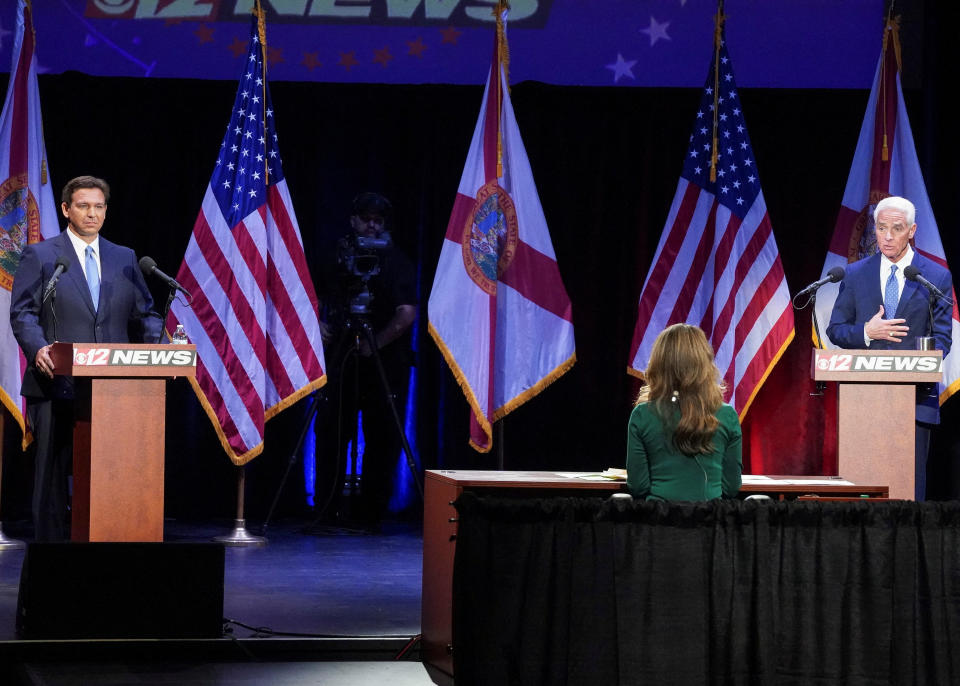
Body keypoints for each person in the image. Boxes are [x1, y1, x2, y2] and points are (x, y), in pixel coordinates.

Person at [9, 175, 161, 540]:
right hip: (56, 382)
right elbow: (23, 313)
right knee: (52, 477)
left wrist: (158, 343)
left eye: (98, 206)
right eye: (83, 205)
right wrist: (38, 347)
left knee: (113, 472)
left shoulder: (124, 258)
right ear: (66, 209)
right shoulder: (43, 255)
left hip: (116, 389)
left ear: (106, 212)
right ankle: (51, 557)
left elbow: (146, 314)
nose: (91, 213)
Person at [826, 195, 953, 499]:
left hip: (914, 402)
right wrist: (867, 333)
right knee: (863, 493)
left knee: (908, 492)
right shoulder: (855, 275)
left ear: (911, 230)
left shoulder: (934, 277)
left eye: (896, 229)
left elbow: (943, 339)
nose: (887, 236)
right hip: (864, 401)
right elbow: (836, 330)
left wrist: (912, 363)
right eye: (881, 228)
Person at [317, 192, 417, 530]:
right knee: (332, 430)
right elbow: (309, 293)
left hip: (384, 363)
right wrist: (318, 323)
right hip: (342, 355)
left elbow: (406, 315)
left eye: (378, 220)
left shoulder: (398, 262)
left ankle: (371, 514)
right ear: (353, 220)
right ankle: (326, 510)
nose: (372, 225)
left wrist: (375, 344)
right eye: (366, 218)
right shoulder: (337, 256)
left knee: (383, 437)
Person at [626, 323, 742, 501]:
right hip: (711, 523)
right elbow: (731, 487)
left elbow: (638, 487)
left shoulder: (642, 415)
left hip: (657, 521)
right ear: (704, 363)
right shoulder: (728, 415)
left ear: (659, 364)